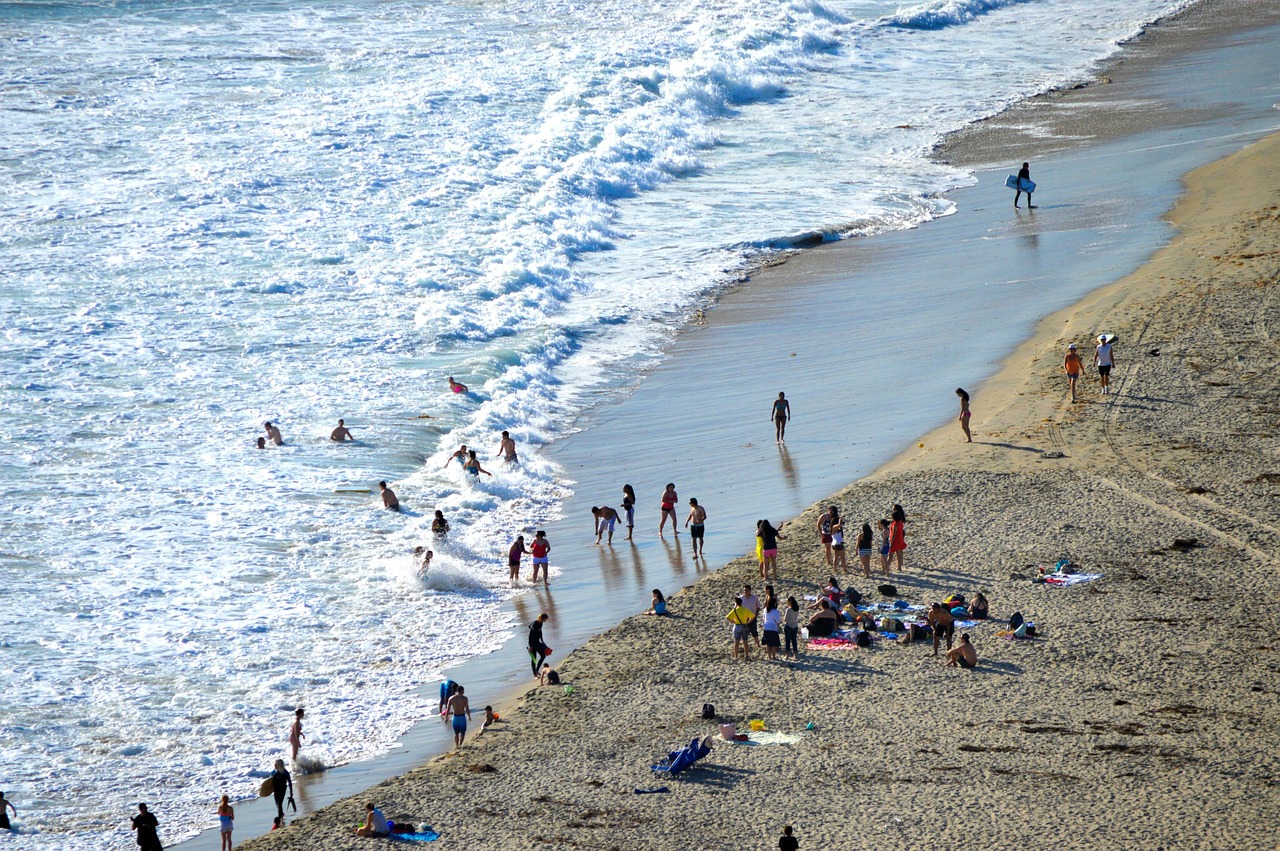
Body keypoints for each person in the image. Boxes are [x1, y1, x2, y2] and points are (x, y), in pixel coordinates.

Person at [727, 596, 754, 661]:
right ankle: (746, 655)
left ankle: (736, 655)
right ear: (741, 603)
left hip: (737, 626)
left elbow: (727, 617)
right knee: (745, 642)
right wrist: (748, 622)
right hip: (744, 626)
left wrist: (732, 621)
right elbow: (752, 616)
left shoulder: (735, 610)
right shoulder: (745, 610)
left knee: (736, 642)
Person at [270, 759, 294, 824]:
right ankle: (281, 814)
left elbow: (290, 782)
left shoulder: (285, 773)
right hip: (276, 790)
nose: (274, 765)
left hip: (282, 789)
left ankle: (279, 818)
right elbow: (269, 782)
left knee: (279, 803)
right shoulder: (273, 772)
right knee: (277, 804)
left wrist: (291, 792)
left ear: (278, 765)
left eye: (275, 764)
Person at [741, 584, 761, 649]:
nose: (745, 592)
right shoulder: (740, 598)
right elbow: (736, 608)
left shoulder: (754, 598)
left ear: (750, 591)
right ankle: (745, 645)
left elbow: (758, 607)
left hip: (752, 617)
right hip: (743, 618)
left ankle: (757, 644)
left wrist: (756, 615)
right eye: (744, 590)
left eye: (746, 590)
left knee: (754, 631)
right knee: (743, 632)